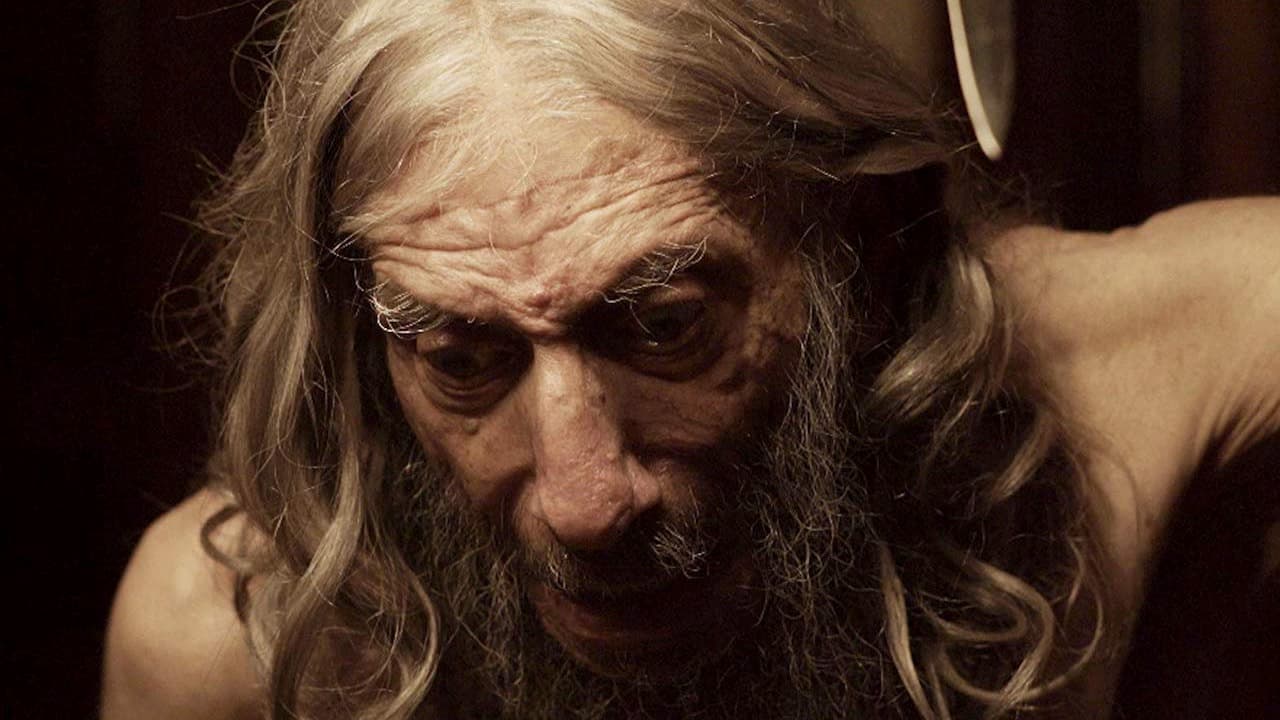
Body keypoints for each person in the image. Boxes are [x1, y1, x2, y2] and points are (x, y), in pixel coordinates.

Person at [101, 1, 1280, 718]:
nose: (584, 502)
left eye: (664, 326)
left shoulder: (1144, 361)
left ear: (855, 240)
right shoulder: (234, 639)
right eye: (462, 359)